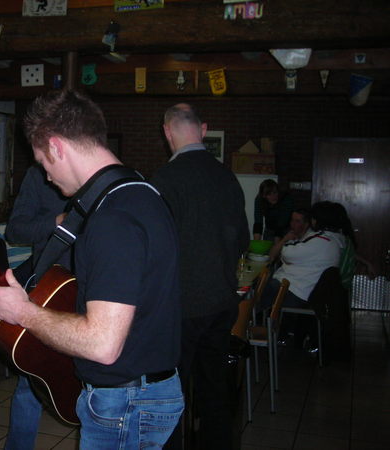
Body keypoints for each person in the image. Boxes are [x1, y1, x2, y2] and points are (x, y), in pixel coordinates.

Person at [0, 89, 183, 449]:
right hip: (145, 391)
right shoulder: (141, 191)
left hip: (126, 403)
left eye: (44, 162)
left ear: (57, 147)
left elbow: (102, 343)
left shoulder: (112, 217)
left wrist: (24, 312)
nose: (46, 177)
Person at [150, 103, 249, 450]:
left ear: (167, 132)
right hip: (222, 303)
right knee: (214, 391)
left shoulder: (163, 181)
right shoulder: (227, 177)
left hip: (181, 308)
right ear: (203, 130)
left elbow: (153, 251)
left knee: (169, 395)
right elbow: (243, 240)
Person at [0, 163, 70, 450]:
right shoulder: (38, 173)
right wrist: (57, 221)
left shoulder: (101, 171)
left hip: (95, 292)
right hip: (51, 290)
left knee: (99, 385)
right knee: (31, 381)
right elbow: (15, 230)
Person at [259, 201, 345, 313]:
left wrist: (286, 247)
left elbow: (286, 253)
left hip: (296, 292)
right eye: (292, 220)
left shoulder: (321, 240)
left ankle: (251, 323)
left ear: (309, 223)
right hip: (296, 288)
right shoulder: (332, 241)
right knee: (262, 285)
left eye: (297, 221)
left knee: (258, 289)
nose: (292, 224)